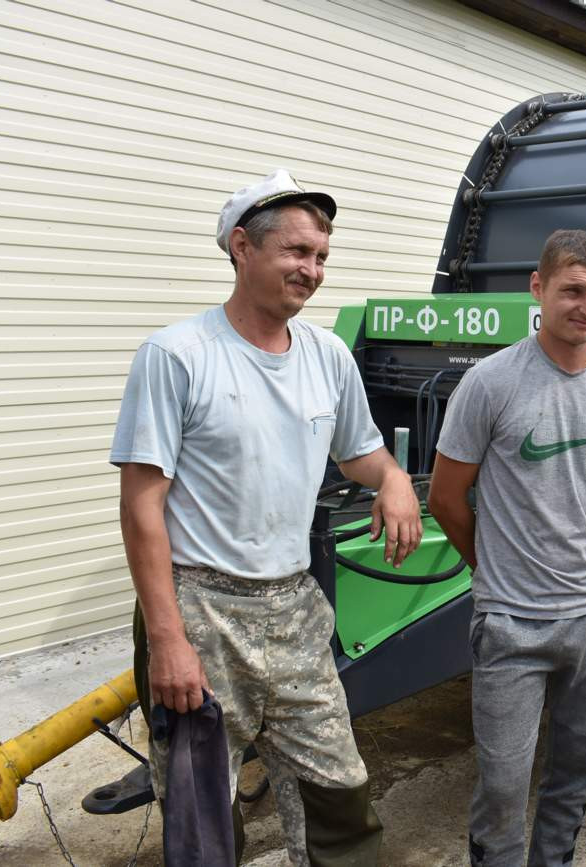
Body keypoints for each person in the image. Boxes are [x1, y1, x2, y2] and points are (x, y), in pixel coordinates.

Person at [112, 168, 422, 866]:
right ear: (242, 246)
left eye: (320, 256)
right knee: (202, 820)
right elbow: (141, 507)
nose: (311, 269)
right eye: (297, 251)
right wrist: (167, 639)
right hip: (200, 607)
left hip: (293, 608)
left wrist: (395, 480)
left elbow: (361, 453)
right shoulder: (177, 355)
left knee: (339, 795)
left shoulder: (328, 356)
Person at [428, 229, 586, 867]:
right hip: (511, 624)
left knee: (576, 776)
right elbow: (447, 498)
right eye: (573, 290)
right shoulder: (491, 384)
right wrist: (495, 569)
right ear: (538, 288)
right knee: (502, 786)